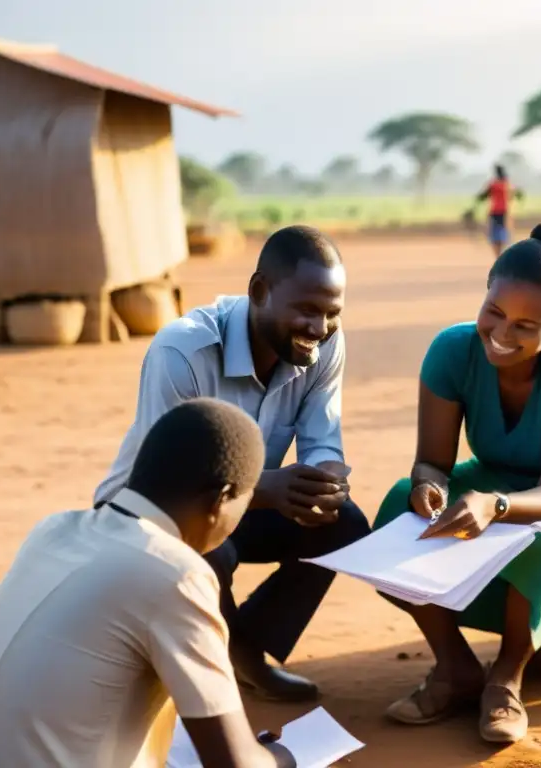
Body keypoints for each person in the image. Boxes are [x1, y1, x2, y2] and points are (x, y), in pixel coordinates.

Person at [374, 221, 541, 744]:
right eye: (494, 312)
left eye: (526, 325)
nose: (501, 333)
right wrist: (427, 486)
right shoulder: (451, 350)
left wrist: (495, 505)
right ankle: (454, 667)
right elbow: (432, 461)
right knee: (395, 510)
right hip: (495, 480)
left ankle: (507, 678)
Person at [0, 399, 297, 768]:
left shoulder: (51, 531)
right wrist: (281, 759)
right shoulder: (175, 573)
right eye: (245, 503)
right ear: (220, 500)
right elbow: (234, 765)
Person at [94, 225, 370, 703]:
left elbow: (322, 438)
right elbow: (170, 484)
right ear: (260, 292)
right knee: (209, 551)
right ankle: (203, 670)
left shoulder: (324, 342)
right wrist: (265, 488)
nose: (319, 328)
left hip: (236, 508)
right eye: (306, 310)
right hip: (146, 517)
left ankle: (245, 649)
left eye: (331, 314)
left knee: (343, 524)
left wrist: (324, 481)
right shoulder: (183, 350)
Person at [472, 164, 524, 258]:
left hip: (494, 211)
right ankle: (504, 254)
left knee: (494, 233)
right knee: (506, 233)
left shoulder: (493, 184)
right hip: (506, 212)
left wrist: (477, 199)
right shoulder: (508, 184)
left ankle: (498, 255)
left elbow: (482, 197)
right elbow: (519, 194)